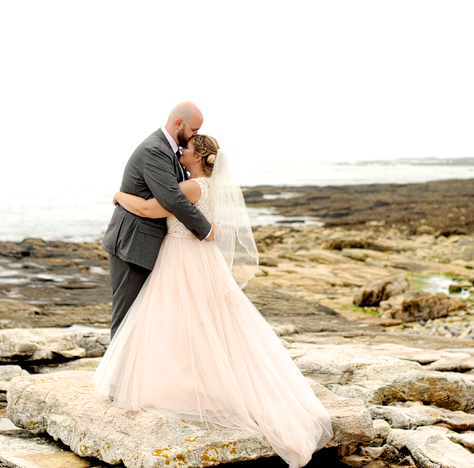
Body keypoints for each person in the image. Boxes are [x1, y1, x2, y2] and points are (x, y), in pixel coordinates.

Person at [93, 135, 333, 468]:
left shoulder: (192, 188)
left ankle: (186, 384)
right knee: (199, 319)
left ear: (199, 156)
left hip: (181, 256)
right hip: (199, 256)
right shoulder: (207, 188)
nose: (182, 151)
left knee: (175, 319)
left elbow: (149, 209)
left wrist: (118, 196)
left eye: (187, 148)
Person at [101, 102, 214, 339]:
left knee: (144, 318)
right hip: (131, 245)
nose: (195, 135)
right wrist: (206, 230)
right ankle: (115, 377)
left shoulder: (170, 151)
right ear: (178, 123)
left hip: (149, 246)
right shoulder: (155, 150)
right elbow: (172, 199)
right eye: (194, 130)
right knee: (127, 315)